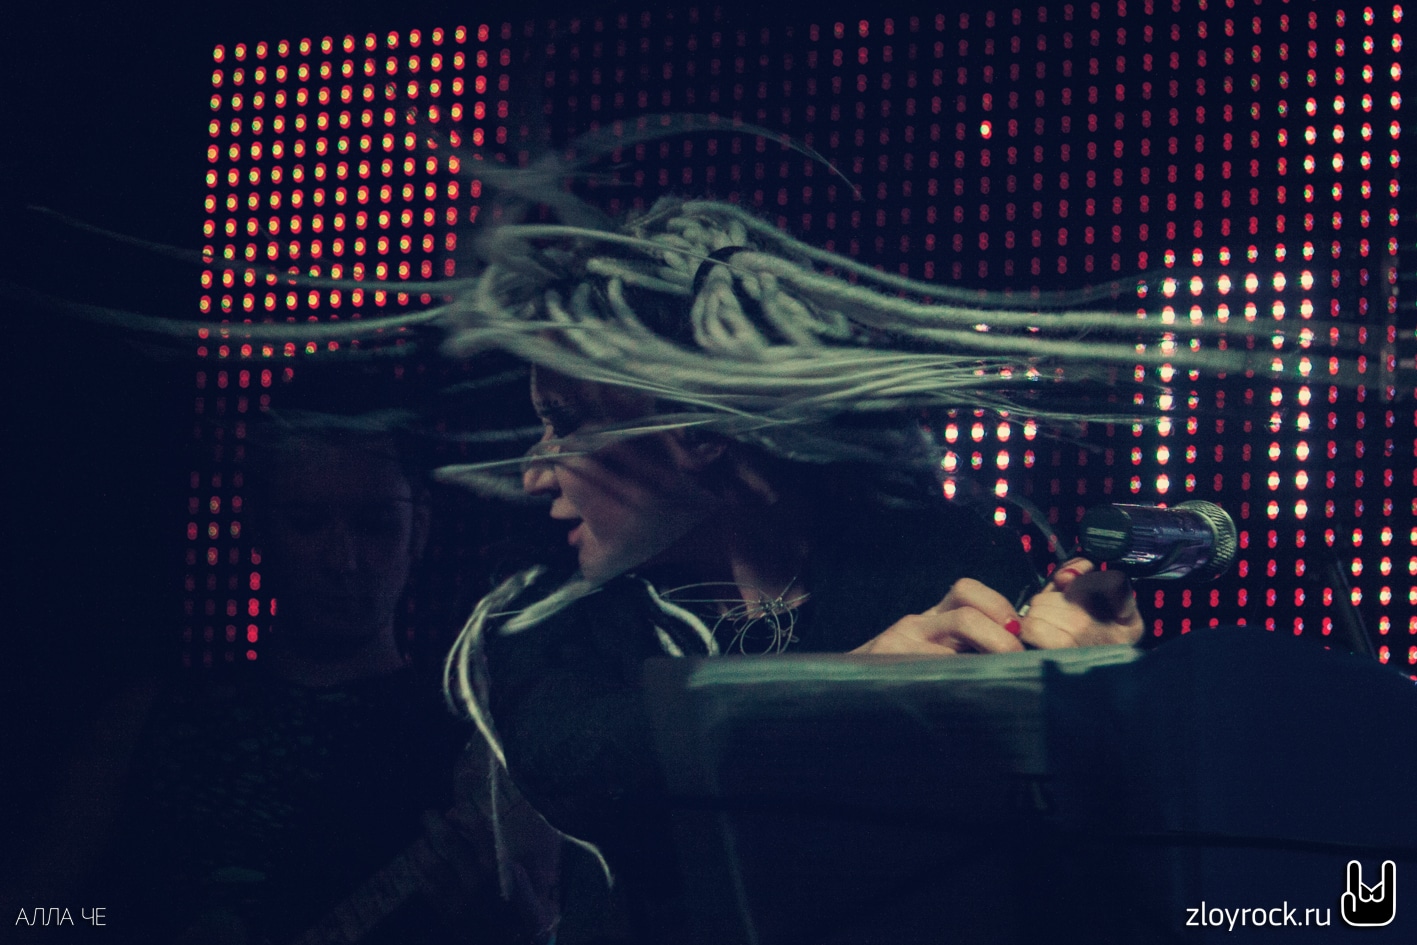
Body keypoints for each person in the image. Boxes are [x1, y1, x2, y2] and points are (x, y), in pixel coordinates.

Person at [430, 196, 1193, 941]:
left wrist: (1094, 702)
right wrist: (842, 693)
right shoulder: (547, 613)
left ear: (696, 432)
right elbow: (582, 759)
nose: (534, 473)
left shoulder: (935, 559)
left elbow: (1066, 866)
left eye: (565, 423)